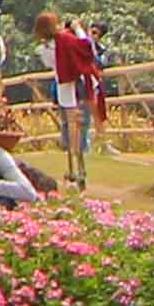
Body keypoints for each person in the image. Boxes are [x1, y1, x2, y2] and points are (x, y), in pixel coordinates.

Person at [43, 10, 104, 186]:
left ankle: (73, 168)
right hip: (77, 87)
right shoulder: (67, 39)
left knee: (70, 127)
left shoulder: (47, 46)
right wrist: (78, 30)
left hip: (63, 88)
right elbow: (87, 48)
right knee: (79, 126)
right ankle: (80, 169)